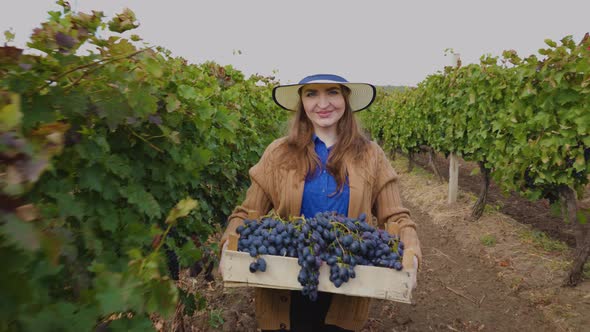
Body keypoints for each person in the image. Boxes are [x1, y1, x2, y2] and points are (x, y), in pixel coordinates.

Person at [219, 73, 421, 332]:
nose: (322, 103)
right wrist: (229, 243)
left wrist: (411, 253)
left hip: (346, 284)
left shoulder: (371, 155)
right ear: (301, 101)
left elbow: (396, 217)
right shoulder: (278, 153)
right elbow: (248, 212)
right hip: (284, 284)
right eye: (311, 94)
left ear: (345, 99)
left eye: (333, 92)